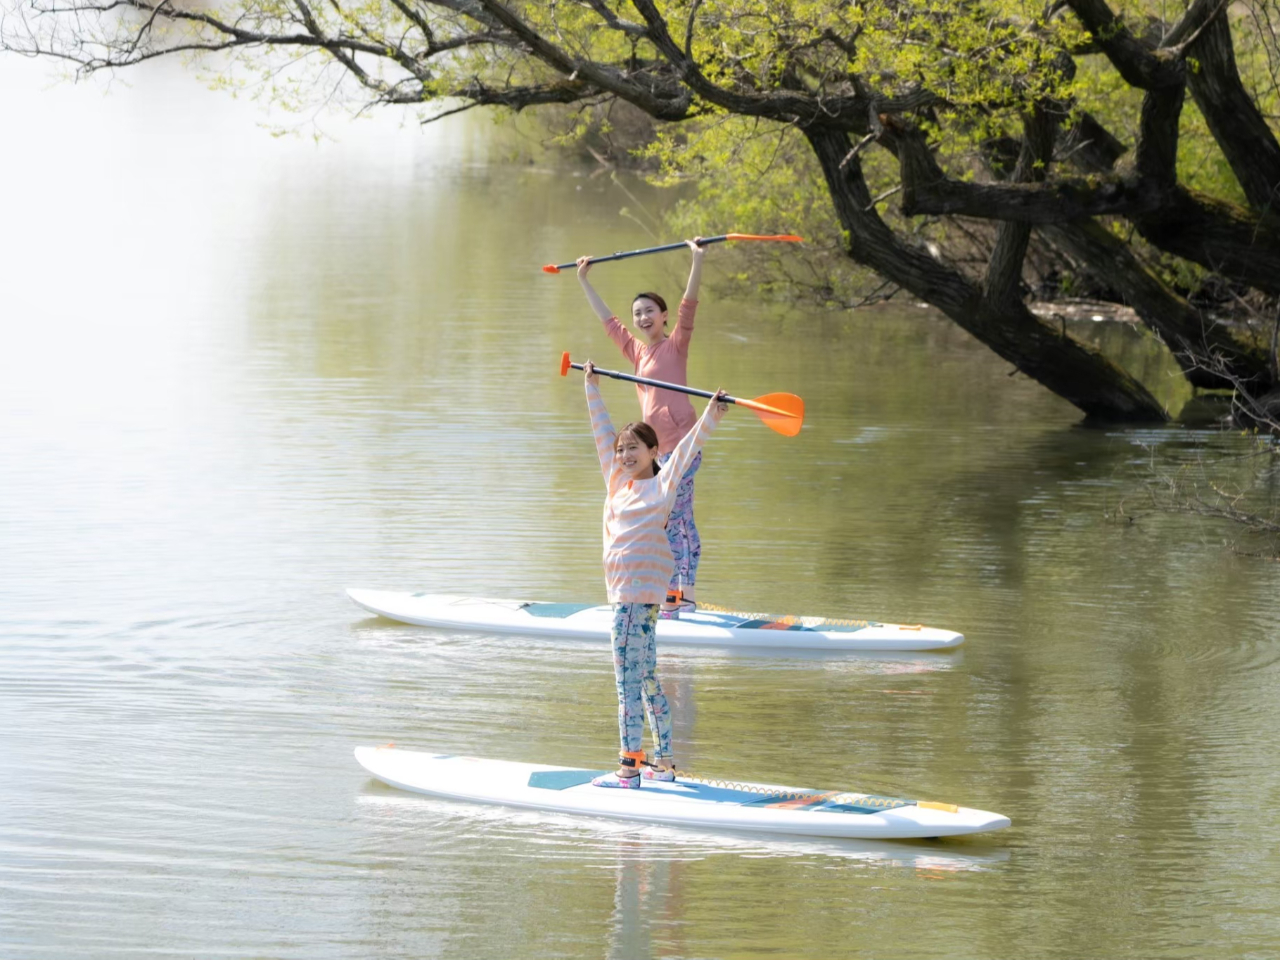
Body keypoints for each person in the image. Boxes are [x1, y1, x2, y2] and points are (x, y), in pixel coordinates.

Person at [583, 359, 727, 788]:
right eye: (621, 449)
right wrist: (590, 385)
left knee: (627, 685)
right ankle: (663, 766)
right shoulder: (616, 483)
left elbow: (685, 450)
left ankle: (629, 769)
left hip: (633, 605)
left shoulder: (662, 487)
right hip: (636, 603)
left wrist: (711, 414)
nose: (624, 455)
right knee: (646, 679)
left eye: (633, 448)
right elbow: (599, 428)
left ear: (652, 453)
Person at [577, 239, 707, 617]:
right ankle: (682, 594)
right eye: (638, 314)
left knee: (673, 520)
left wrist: (697, 259)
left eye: (649, 311)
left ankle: (680, 597)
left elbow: (690, 306)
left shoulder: (676, 345)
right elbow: (609, 323)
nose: (642, 318)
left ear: (664, 316)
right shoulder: (636, 352)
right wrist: (584, 280)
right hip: (656, 452)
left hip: (683, 448)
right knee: (676, 520)